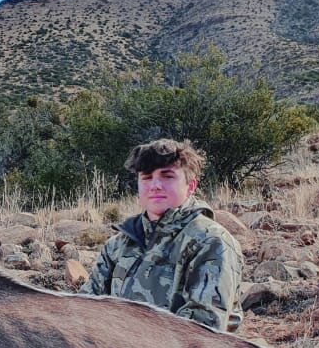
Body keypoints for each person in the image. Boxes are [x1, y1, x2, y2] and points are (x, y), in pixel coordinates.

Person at [85, 138, 244, 332]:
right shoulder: (118, 244)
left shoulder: (212, 242)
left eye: (167, 176)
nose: (155, 185)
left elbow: (201, 330)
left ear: (191, 186)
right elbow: (86, 307)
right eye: (147, 177)